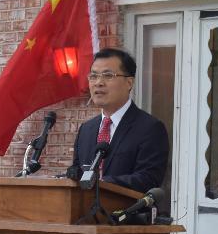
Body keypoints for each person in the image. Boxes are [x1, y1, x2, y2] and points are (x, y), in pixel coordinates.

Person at [72, 48, 169, 193]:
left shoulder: (150, 128)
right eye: (93, 76)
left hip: (124, 213)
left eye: (108, 75)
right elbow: (76, 171)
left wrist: (101, 183)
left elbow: (148, 178)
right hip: (84, 214)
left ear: (129, 83)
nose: (98, 83)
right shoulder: (86, 129)